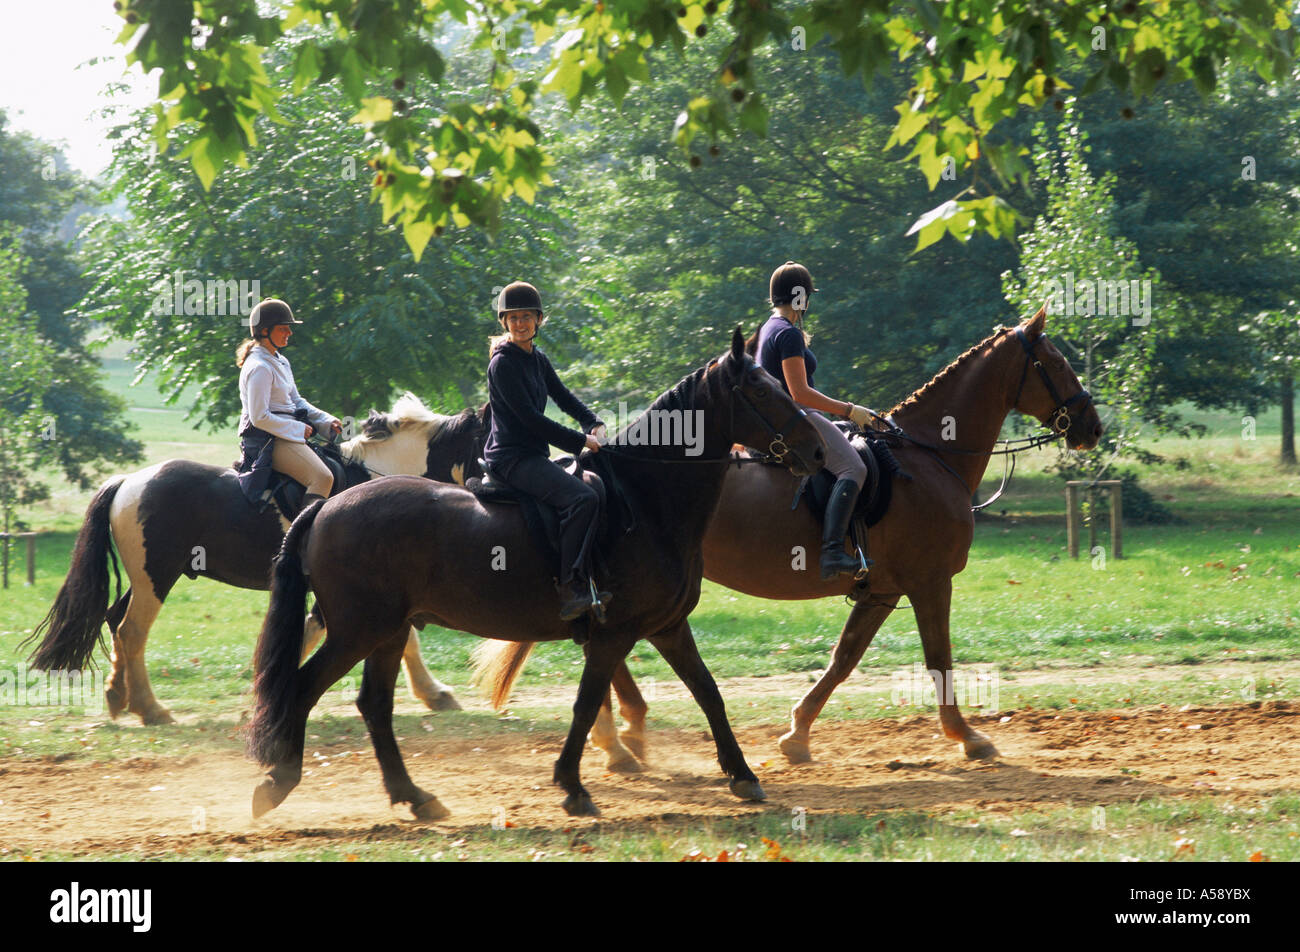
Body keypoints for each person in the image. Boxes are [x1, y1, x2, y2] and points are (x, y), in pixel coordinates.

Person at [482, 281, 608, 620]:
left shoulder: (537, 359)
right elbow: (531, 421)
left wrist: (592, 422)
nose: (520, 323)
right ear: (504, 322)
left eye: (527, 316)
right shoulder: (503, 365)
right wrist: (581, 442)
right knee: (583, 498)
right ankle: (569, 585)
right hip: (511, 458)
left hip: (532, 455)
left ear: (539, 320)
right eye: (513, 317)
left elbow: (564, 397)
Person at [755, 262, 875, 580]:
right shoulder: (789, 334)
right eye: (807, 296)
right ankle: (832, 552)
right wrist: (849, 410)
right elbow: (799, 393)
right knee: (855, 468)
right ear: (800, 297)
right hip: (794, 418)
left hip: (781, 417)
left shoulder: (769, 327)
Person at [235, 299, 342, 512]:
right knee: (322, 477)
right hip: (266, 441)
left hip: (283, 436)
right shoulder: (260, 367)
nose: (289, 333)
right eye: (283, 328)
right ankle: (303, 539)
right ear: (265, 331)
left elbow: (296, 401)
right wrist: (298, 429)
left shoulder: (281, 361)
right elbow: (259, 417)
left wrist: (325, 420)